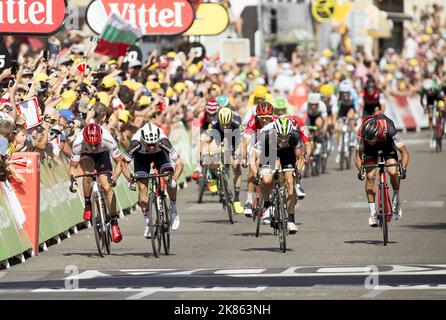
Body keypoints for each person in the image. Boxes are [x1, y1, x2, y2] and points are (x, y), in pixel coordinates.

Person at [121, 122, 184, 238]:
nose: (151, 147)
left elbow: (179, 163)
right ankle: (148, 222)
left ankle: (173, 209)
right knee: (142, 187)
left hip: (160, 155)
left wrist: (174, 179)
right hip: (141, 158)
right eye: (148, 144)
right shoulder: (136, 142)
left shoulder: (162, 141)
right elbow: (123, 163)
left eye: (153, 144)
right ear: (143, 140)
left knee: (167, 177)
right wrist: (130, 180)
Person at [69, 123, 124, 243]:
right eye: (91, 144)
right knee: (88, 174)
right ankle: (88, 203)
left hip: (103, 155)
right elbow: (72, 167)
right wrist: (73, 181)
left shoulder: (108, 139)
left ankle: (114, 221)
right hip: (86, 155)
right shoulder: (78, 143)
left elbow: (120, 162)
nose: (93, 147)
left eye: (96, 144)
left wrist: (113, 177)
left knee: (107, 187)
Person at [249, 117, 304, 234]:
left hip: (288, 154)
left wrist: (297, 172)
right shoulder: (266, 135)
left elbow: (300, 158)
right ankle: (267, 203)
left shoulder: (295, 135)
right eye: (280, 138)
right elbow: (252, 159)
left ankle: (290, 219)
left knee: (290, 181)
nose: (283, 141)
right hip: (270, 151)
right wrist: (255, 175)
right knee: (267, 180)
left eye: (286, 138)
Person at [355, 114, 409, 227]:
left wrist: (403, 168)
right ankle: (372, 212)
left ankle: (396, 196)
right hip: (370, 151)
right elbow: (357, 155)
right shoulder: (361, 131)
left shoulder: (389, 127)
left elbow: (404, 152)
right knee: (370, 177)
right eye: (367, 140)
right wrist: (360, 170)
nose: (369, 141)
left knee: (393, 171)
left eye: (371, 140)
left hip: (387, 146)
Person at [201, 107, 244, 215]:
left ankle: (237, 200)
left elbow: (240, 144)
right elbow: (208, 141)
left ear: (230, 122)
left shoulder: (236, 124)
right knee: (211, 154)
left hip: (233, 139)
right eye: (222, 125)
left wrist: (238, 156)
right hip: (217, 137)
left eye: (227, 125)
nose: (224, 127)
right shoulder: (214, 125)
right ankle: (214, 178)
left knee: (236, 166)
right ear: (219, 121)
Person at [241, 102, 276, 216]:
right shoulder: (253, 121)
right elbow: (245, 141)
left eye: (267, 118)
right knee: (252, 171)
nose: (264, 121)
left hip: (272, 146)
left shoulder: (276, 121)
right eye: (262, 118)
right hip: (257, 145)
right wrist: (244, 158)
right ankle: (249, 202)